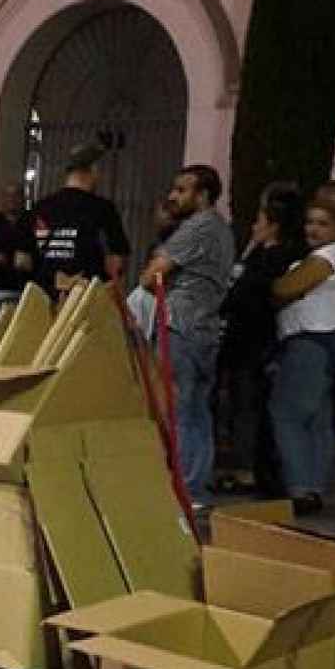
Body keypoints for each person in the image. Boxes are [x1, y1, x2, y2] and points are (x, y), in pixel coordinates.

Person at [269, 193, 335, 516]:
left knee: (288, 414)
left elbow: (284, 288)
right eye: (310, 222)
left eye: (322, 223)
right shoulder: (333, 256)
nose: (313, 229)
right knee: (318, 420)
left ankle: (300, 486)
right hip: (326, 346)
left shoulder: (329, 256)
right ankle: (314, 485)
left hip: (310, 344)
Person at [140, 164, 234, 508]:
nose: (173, 197)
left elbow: (151, 277)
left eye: (182, 190)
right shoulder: (222, 230)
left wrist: (152, 271)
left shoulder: (198, 228)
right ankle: (195, 484)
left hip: (180, 326)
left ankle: (186, 486)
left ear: (203, 194)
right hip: (204, 327)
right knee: (196, 409)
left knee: (178, 407)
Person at [216, 182, 307, 496]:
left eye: (259, 220)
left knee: (248, 406)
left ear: (272, 225)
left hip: (255, 342)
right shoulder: (259, 254)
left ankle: (248, 469)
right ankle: (244, 465)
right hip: (243, 341)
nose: (254, 226)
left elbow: (248, 295)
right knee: (240, 404)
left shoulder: (275, 260)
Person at [31, 143, 131, 295]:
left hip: (45, 295)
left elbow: (29, 256)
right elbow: (116, 262)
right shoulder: (102, 208)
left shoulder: (41, 207)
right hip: (87, 298)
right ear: (93, 169)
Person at [0, 184, 38, 334]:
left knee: (22, 331)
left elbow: (39, 253)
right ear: (2, 199)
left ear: (23, 198)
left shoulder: (31, 222)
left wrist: (29, 261)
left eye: (16, 195)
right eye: (8, 196)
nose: (12, 200)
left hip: (27, 287)